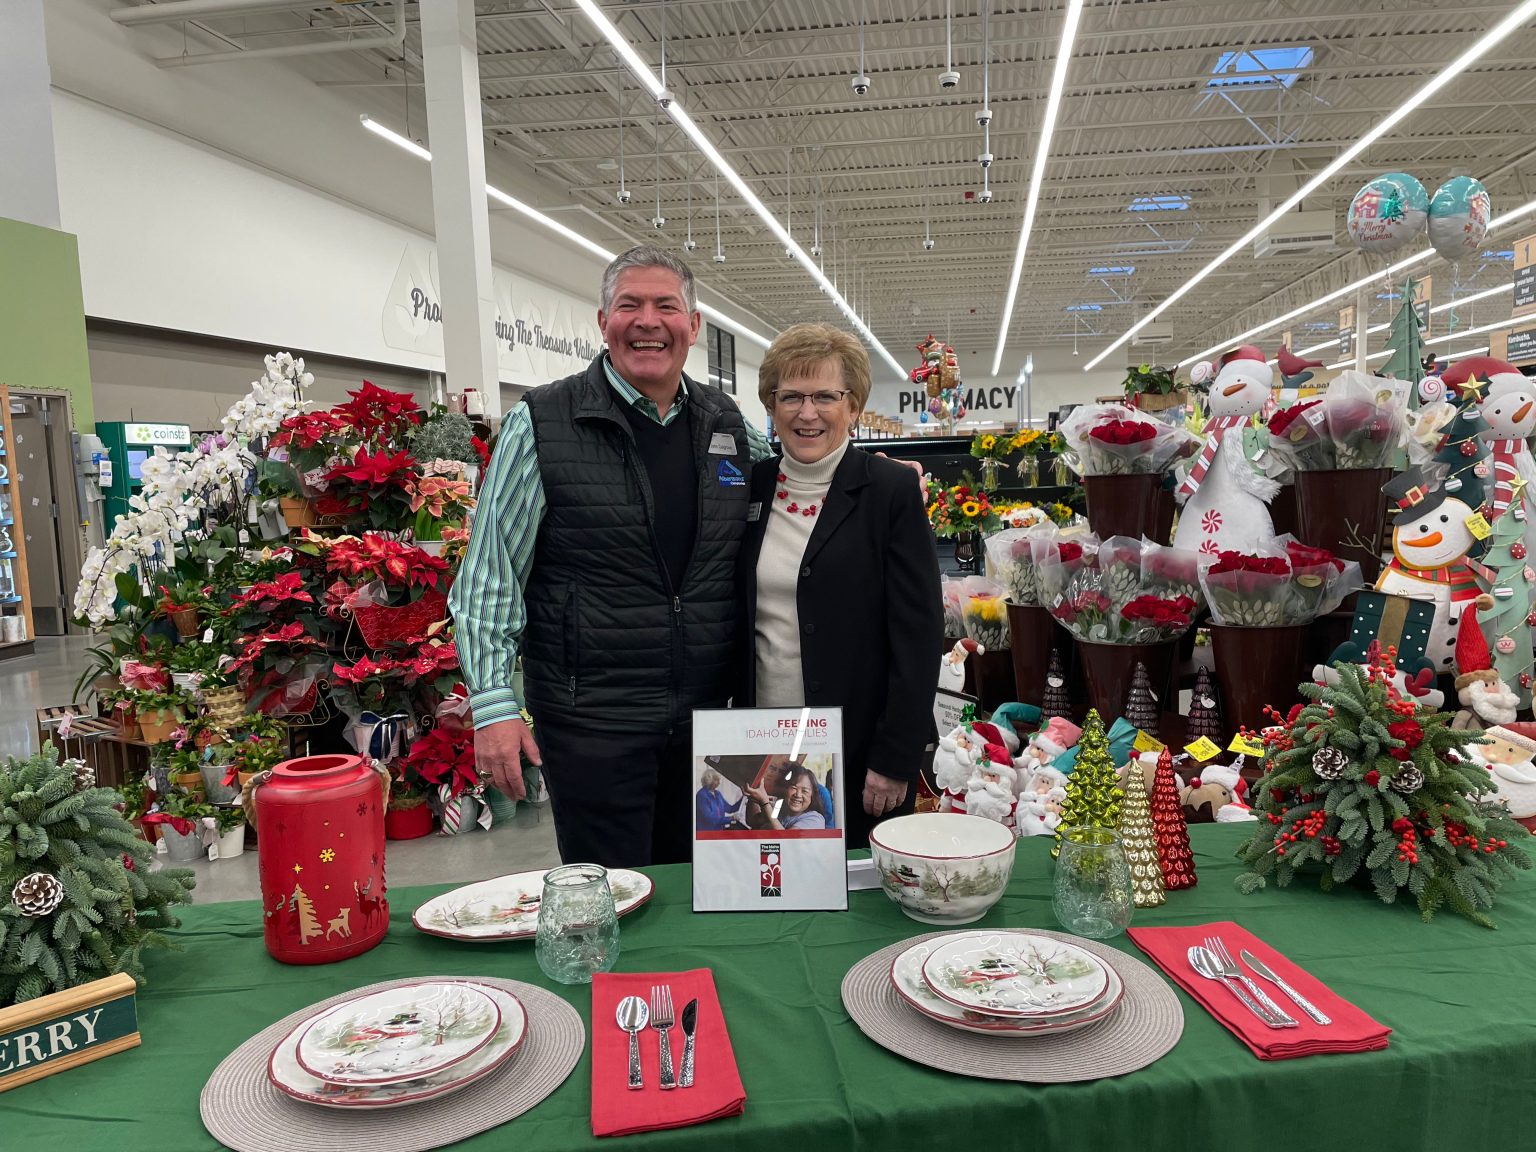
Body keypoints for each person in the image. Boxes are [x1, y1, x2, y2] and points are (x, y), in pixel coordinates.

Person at [451, 245, 778, 867]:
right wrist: (492, 706)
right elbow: (491, 574)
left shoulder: (725, 421)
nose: (648, 321)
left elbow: (792, 477)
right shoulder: (543, 423)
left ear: (694, 326)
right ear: (603, 323)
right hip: (592, 722)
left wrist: (871, 480)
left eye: (666, 306)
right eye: (629, 304)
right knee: (614, 896)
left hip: (711, 722)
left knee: (706, 890)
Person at [736, 322, 944, 850]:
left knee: (854, 901)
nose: (808, 413)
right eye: (791, 397)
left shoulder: (889, 491)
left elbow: (918, 635)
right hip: (757, 739)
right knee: (768, 883)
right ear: (771, 404)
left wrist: (895, 757)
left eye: (826, 396)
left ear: (853, 406)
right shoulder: (749, 487)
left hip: (856, 746)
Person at [743, 764, 828, 831]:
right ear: (786, 789)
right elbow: (753, 821)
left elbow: (787, 841)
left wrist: (764, 803)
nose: (798, 795)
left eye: (805, 791)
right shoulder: (780, 809)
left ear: (812, 796)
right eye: (794, 787)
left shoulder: (815, 819)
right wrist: (754, 792)